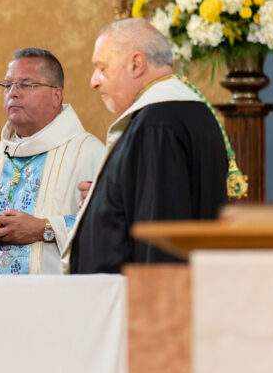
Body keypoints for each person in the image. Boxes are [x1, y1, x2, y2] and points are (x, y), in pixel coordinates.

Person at [68, 19, 229, 275]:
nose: (94, 81)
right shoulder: (181, 113)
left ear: (136, 64)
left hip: (141, 301)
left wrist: (151, 309)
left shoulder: (157, 125)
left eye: (102, 67)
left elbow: (159, 234)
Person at [0, 48, 104, 274]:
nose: (13, 93)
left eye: (26, 84)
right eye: (8, 85)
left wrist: (43, 229)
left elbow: (107, 228)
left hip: (53, 302)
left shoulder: (88, 153)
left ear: (56, 95)